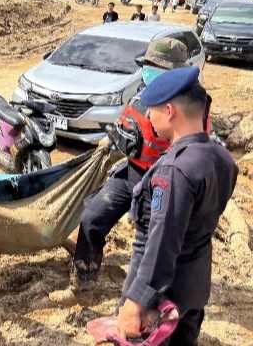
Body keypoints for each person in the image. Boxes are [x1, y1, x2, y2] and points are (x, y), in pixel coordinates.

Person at [116, 66, 237, 345]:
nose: (148, 117)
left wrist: (137, 301)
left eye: (152, 110)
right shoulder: (222, 158)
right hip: (194, 286)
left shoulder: (174, 170)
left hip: (161, 298)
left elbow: (162, 241)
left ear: (169, 111)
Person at [72, 39, 191, 290]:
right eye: (148, 66)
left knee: (150, 241)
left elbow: (192, 153)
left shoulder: (187, 107)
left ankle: (145, 295)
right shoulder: (143, 93)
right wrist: (110, 141)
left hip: (161, 183)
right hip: (132, 172)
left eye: (157, 68)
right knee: (92, 216)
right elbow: (128, 126)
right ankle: (84, 280)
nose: (149, 72)